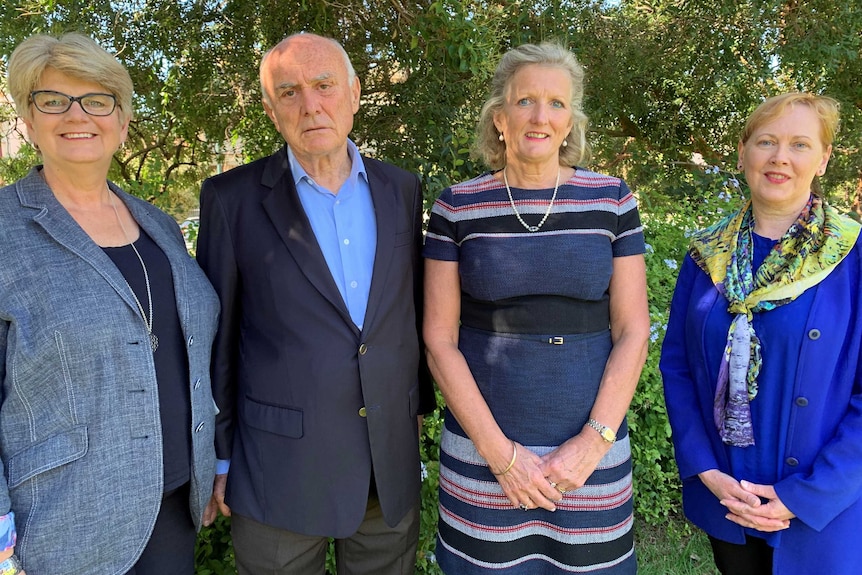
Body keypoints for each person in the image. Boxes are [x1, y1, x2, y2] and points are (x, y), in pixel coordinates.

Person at [196, 32, 434, 574]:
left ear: (353, 93)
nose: (310, 105)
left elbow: (408, 311)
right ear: (270, 108)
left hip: (386, 463)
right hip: (277, 470)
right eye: (289, 92)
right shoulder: (230, 200)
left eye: (324, 85)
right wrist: (219, 452)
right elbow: (219, 340)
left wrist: (416, 408)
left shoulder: (401, 189)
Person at [423, 42, 649, 574]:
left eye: (556, 103)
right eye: (525, 101)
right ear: (499, 117)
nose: (540, 116)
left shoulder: (612, 200)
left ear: (571, 121)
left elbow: (633, 329)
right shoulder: (456, 207)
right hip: (483, 460)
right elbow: (438, 338)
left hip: (591, 457)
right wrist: (501, 457)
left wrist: (592, 445)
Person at [0, 33, 220, 575]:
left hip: (173, 511)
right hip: (60, 524)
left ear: (121, 121)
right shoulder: (5, 228)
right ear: (28, 120)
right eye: (53, 99)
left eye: (97, 100)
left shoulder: (160, 226)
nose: (77, 115)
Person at [660, 92, 862, 575]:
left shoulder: (853, 257)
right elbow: (678, 366)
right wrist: (703, 467)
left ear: (824, 158)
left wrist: (807, 495)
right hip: (728, 498)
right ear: (742, 151)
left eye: (799, 144)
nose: (780, 158)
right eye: (766, 142)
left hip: (823, 507)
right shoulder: (706, 255)